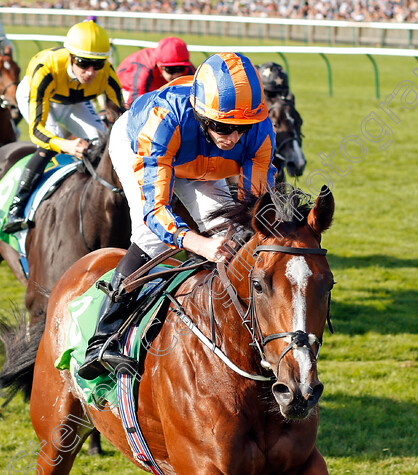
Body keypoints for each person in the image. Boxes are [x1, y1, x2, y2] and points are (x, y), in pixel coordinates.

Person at [77, 52, 277, 380]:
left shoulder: (259, 131)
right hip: (143, 144)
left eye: (242, 128)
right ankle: (104, 338)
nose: (233, 138)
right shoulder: (163, 120)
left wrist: (233, 236)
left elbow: (252, 205)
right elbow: (156, 212)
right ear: (202, 115)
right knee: (151, 237)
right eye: (223, 126)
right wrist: (201, 244)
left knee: (233, 236)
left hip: (199, 159)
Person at [1, 20, 125, 233]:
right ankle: (16, 206)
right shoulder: (45, 69)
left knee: (101, 139)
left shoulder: (107, 73)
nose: (90, 72)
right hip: (38, 95)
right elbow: (38, 132)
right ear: (70, 57)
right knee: (51, 141)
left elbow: (122, 120)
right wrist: (67, 145)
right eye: (83, 63)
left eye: (98, 65)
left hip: (74, 100)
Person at [116, 37, 195, 108]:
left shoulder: (187, 67)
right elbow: (135, 102)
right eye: (170, 69)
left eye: (180, 69)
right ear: (159, 65)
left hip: (156, 86)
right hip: (127, 89)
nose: (176, 75)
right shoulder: (145, 69)